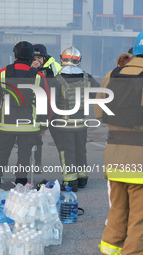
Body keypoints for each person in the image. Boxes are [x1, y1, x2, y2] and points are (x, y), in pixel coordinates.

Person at [96, 31, 143, 255]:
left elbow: (99, 113)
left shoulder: (113, 74)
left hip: (114, 155)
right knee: (139, 218)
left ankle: (109, 249)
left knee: (117, 210)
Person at [0, 41, 51, 188]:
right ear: (31, 56)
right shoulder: (38, 76)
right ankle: (21, 185)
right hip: (29, 126)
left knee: (2, 155)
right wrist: (43, 126)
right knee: (24, 156)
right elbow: (44, 102)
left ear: (15, 54)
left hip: (6, 125)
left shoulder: (2, 73)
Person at [50, 46, 99, 192]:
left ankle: (70, 182)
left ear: (62, 59)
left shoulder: (56, 79)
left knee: (67, 152)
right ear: (79, 60)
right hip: (82, 124)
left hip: (64, 124)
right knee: (80, 150)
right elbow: (98, 94)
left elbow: (51, 102)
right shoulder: (87, 77)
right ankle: (82, 178)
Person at [31, 44, 62, 169]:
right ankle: (37, 164)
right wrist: (32, 70)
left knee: (60, 138)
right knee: (37, 138)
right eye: (35, 57)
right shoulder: (29, 67)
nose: (37, 60)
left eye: (39, 57)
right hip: (37, 108)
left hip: (54, 107)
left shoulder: (55, 66)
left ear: (44, 57)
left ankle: (65, 165)